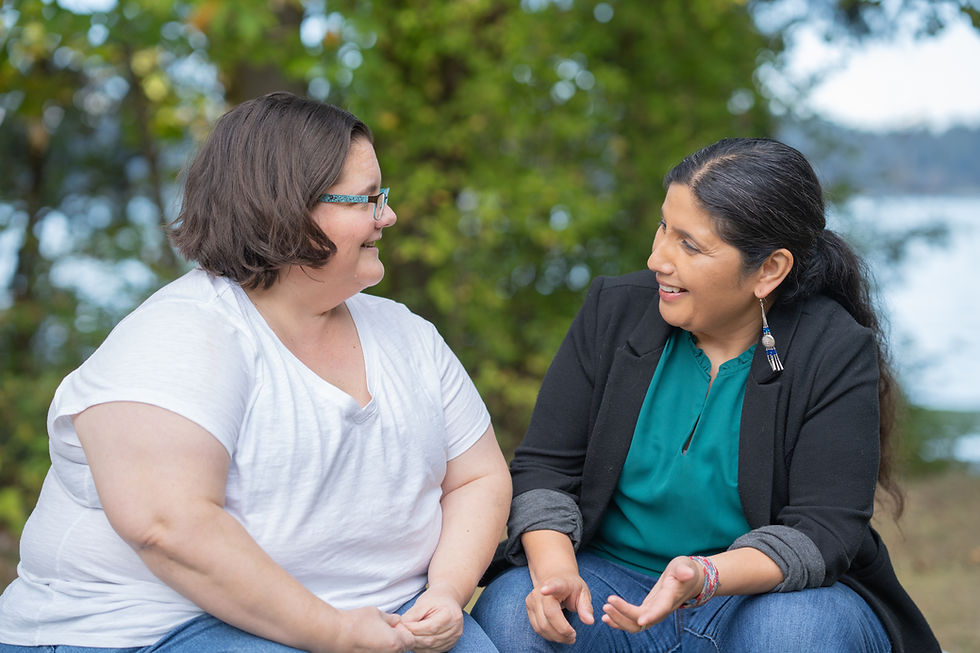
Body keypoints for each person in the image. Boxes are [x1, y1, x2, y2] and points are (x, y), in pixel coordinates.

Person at [0, 92, 511, 653]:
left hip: (387, 614)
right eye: (366, 199)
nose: (387, 215)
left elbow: (478, 479)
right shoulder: (179, 334)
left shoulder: (407, 335)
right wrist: (337, 634)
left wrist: (445, 589)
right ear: (286, 207)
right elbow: (168, 528)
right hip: (154, 629)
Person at [471, 138, 940, 653]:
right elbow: (544, 471)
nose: (657, 259)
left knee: (798, 634)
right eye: (662, 229)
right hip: (608, 590)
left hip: (756, 600)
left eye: (690, 246)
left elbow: (823, 530)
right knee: (513, 611)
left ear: (769, 271)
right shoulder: (613, 311)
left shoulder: (834, 350)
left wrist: (704, 576)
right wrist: (556, 571)